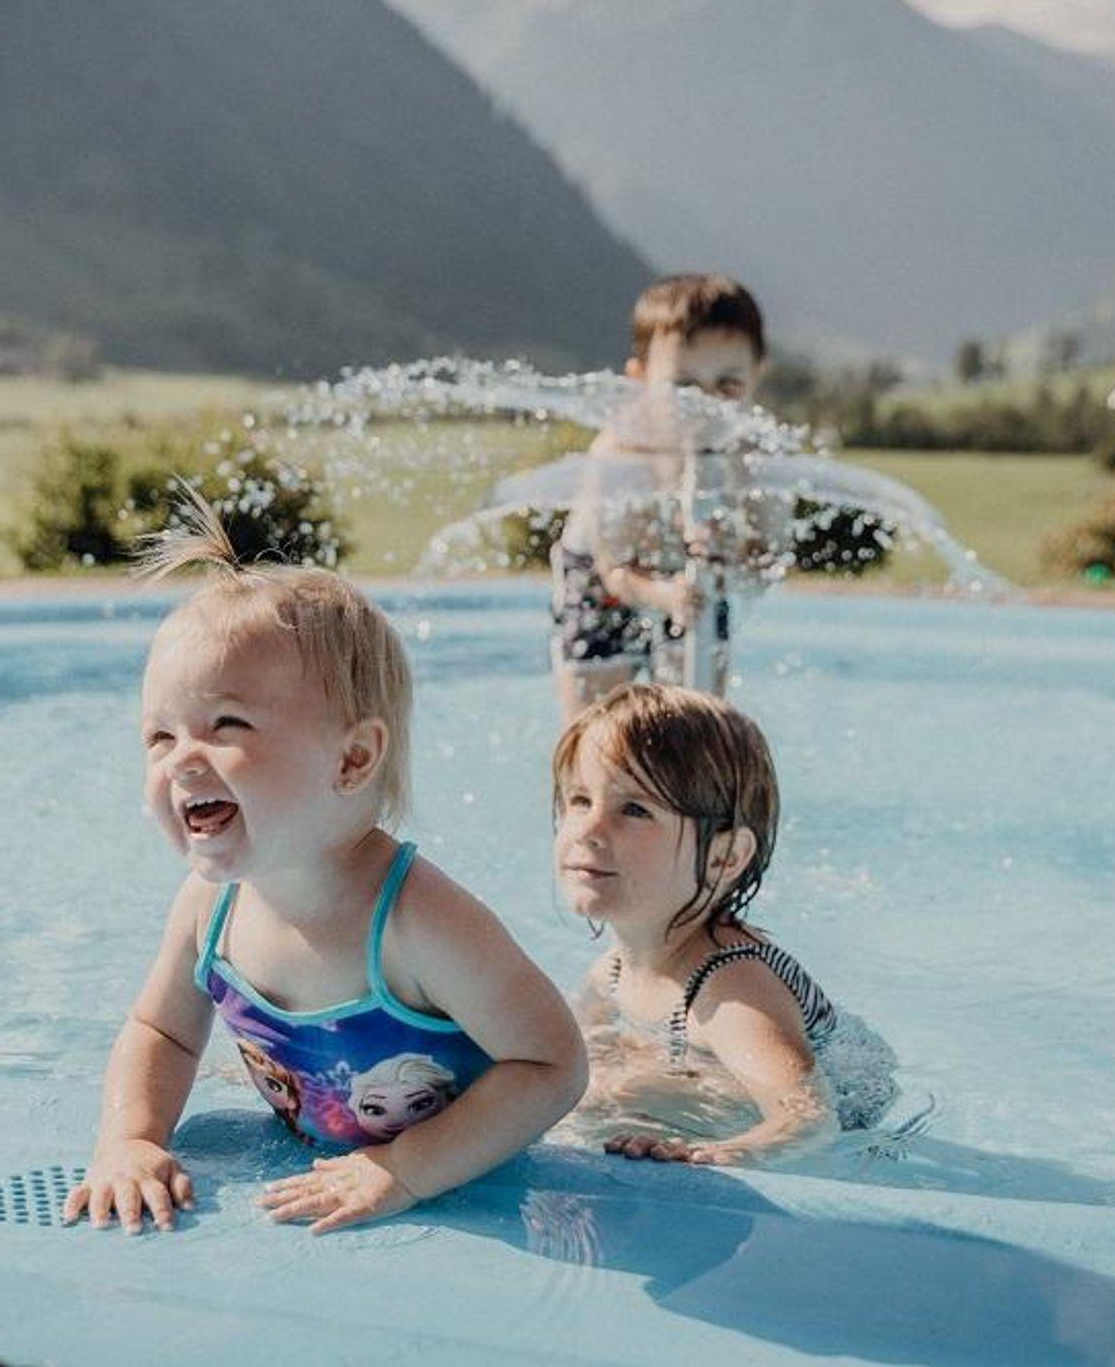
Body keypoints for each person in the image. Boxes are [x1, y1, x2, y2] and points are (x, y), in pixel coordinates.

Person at [64, 489, 586, 1236]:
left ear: (352, 759)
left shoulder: (415, 921)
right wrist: (131, 1139)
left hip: (468, 1181)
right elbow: (162, 1031)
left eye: (225, 725)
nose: (181, 760)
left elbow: (552, 1066)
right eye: (161, 736)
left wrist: (406, 1168)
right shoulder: (210, 907)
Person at [553, 683, 897, 1163]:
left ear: (725, 856)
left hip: (848, 1128)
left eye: (634, 810)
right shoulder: (610, 971)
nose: (587, 830)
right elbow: (557, 1061)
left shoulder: (731, 990)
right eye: (579, 800)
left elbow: (807, 1118)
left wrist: (713, 1154)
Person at [550, 273, 775, 720]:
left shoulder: (753, 457)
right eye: (684, 387)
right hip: (601, 582)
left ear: (755, 377)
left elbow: (766, 554)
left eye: (727, 386)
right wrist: (663, 595)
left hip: (691, 583)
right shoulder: (619, 452)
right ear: (640, 379)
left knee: (701, 726)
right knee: (591, 732)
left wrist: (738, 553)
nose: (705, 404)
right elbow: (615, 571)